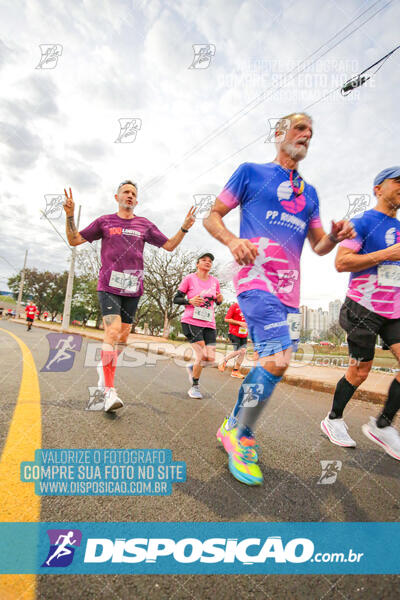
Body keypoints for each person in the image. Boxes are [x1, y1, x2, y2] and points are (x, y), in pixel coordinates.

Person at [204, 112, 355, 485]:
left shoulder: (311, 193)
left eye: (310, 132)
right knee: (277, 358)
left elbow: (318, 245)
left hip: (291, 292)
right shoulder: (251, 172)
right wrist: (232, 241)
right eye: (300, 127)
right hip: (255, 280)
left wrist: (335, 236)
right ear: (278, 133)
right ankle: (241, 435)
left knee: (278, 363)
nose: (306, 135)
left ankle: (233, 425)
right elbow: (213, 217)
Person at [64, 180, 195, 412]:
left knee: (122, 340)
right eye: (125, 192)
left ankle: (103, 368)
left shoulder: (144, 225)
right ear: (117, 197)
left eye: (134, 193)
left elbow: (170, 246)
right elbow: (74, 240)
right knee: (112, 332)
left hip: (133, 289)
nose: (130, 195)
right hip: (108, 286)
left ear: (137, 200)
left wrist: (184, 228)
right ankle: (108, 391)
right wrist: (70, 216)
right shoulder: (105, 222)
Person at [321, 167, 400, 460]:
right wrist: (387, 254)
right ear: (378, 188)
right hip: (362, 308)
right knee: (360, 371)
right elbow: (342, 262)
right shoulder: (363, 222)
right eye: (398, 182)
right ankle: (333, 419)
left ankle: (382, 424)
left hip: (394, 310)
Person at [173, 253, 223, 398]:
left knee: (210, 358)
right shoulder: (190, 278)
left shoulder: (215, 281)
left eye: (210, 261)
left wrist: (220, 299)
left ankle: (192, 367)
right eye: (204, 260)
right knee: (202, 355)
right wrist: (189, 301)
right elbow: (176, 299)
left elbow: (218, 300)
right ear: (197, 264)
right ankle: (194, 387)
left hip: (209, 323)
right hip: (191, 321)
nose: (207, 262)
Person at [218, 301, 248, 378]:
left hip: (244, 333)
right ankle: (224, 360)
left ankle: (235, 371)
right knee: (239, 351)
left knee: (243, 352)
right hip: (233, 332)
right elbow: (227, 319)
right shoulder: (235, 306)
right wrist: (239, 323)